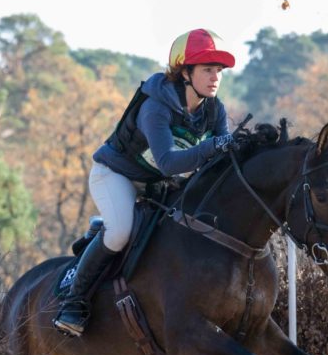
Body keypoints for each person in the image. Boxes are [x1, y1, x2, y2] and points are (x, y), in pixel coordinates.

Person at [53, 29, 237, 337]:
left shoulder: (214, 109)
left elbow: (218, 159)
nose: (215, 77)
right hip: (116, 175)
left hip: (157, 183)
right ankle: (74, 301)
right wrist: (213, 147)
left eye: (218, 70)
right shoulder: (156, 106)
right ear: (185, 72)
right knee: (121, 230)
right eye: (207, 69)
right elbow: (168, 161)